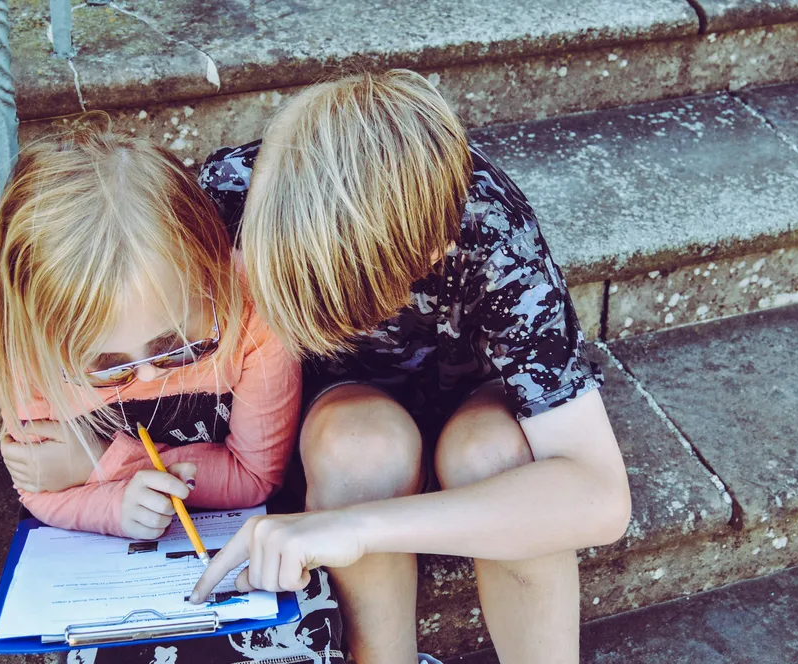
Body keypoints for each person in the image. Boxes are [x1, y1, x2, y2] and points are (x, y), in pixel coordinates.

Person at [193, 70, 632, 664]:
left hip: (474, 400)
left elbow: (599, 495)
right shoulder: (231, 195)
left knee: (494, 455)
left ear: (431, 250)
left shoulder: (490, 230)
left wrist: (362, 527)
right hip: (341, 417)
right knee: (360, 448)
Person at [0, 130, 344, 663]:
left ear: (212, 273)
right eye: (105, 368)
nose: (149, 374)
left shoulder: (255, 314)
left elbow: (256, 476)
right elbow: (40, 489)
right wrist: (117, 504)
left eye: (177, 346)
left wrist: (102, 460)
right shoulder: (26, 349)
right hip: (115, 572)